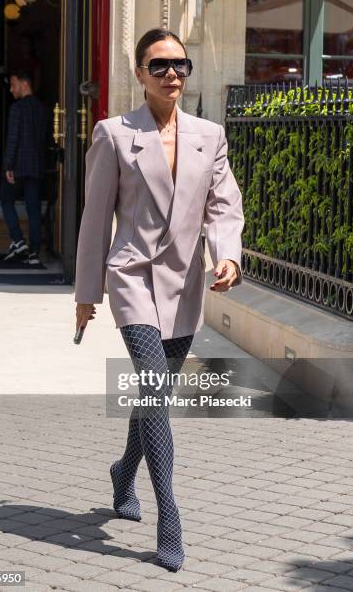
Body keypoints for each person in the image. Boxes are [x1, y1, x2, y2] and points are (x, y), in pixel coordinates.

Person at [74, 28, 245, 572]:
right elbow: (96, 218)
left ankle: (124, 471)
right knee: (152, 386)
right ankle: (169, 515)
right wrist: (85, 293)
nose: (173, 74)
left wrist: (228, 256)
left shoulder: (209, 135)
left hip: (183, 281)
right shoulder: (114, 134)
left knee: (154, 394)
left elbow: (224, 206)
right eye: (160, 65)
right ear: (140, 72)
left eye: (181, 65)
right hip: (131, 276)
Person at [1, 70, 48, 265]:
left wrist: (8, 166)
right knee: (33, 209)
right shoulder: (42, 108)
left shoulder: (17, 108)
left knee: (6, 200)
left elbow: (13, 139)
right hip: (36, 165)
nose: (11, 90)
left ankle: (18, 240)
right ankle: (34, 252)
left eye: (13, 85)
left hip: (18, 165)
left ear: (25, 84)